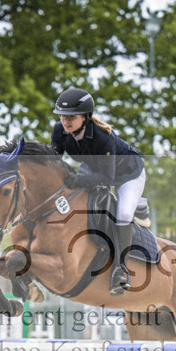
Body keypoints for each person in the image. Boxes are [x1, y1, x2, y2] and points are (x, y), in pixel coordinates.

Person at [51, 87, 145, 295]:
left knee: (123, 214)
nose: (65, 121)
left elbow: (107, 179)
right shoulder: (59, 131)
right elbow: (53, 159)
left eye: (71, 117)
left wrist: (78, 179)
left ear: (85, 117)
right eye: (62, 116)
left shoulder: (103, 138)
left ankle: (120, 269)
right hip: (94, 168)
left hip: (128, 174)